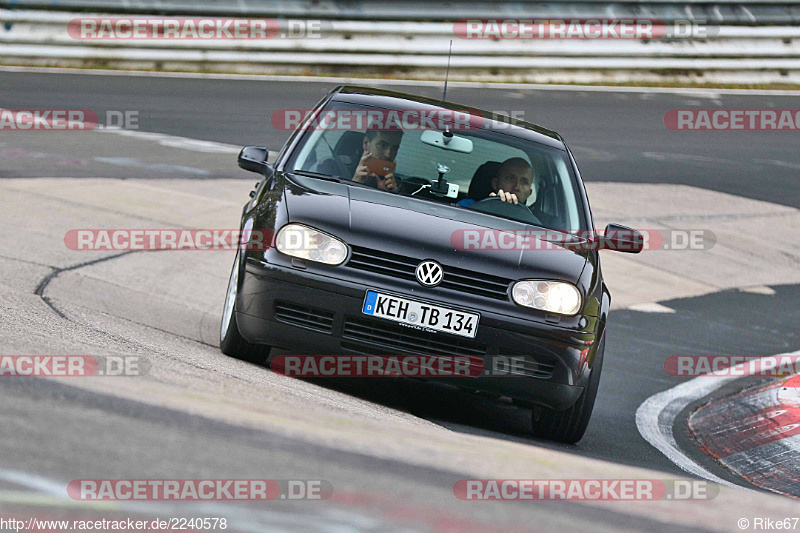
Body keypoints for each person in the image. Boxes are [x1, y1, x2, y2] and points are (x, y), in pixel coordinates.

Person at [458, 157, 539, 207]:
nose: (516, 187)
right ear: (495, 183)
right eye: (510, 178)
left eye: (524, 182)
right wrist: (492, 205)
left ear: (529, 192)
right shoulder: (468, 207)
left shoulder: (532, 222)